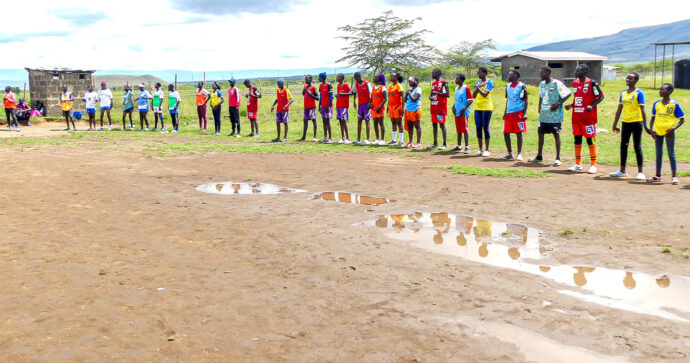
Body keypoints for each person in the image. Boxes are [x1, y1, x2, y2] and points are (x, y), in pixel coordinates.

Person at [565, 64, 604, 174]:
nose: (576, 71)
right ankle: (578, 164)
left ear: (585, 72)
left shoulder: (592, 83)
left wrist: (592, 105)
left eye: (578, 70)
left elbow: (601, 96)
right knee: (577, 140)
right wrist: (571, 105)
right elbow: (578, 98)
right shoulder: (575, 83)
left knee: (590, 140)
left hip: (588, 118)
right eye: (576, 70)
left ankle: (593, 165)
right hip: (576, 118)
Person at [529, 67, 571, 166]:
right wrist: (539, 106)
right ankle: (539, 156)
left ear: (548, 73)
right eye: (540, 73)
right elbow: (540, 96)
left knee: (556, 134)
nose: (540, 75)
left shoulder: (556, 83)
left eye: (542, 73)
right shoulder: (542, 84)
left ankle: (557, 158)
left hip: (554, 115)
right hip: (544, 114)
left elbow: (568, 93)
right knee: (540, 134)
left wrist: (558, 103)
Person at [610, 72, 648, 179]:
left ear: (636, 81)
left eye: (630, 78)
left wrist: (645, 125)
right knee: (624, 145)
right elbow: (619, 109)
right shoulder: (623, 93)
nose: (627, 79)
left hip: (637, 122)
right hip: (626, 122)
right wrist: (615, 123)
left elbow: (643, 110)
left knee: (637, 146)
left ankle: (640, 172)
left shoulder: (639, 93)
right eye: (627, 78)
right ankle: (622, 170)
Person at [648, 83, 685, 185]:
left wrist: (673, 129)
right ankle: (658, 175)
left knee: (671, 153)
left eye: (663, 89)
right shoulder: (657, 104)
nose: (660, 91)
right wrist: (651, 130)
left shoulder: (674, 104)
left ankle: (674, 176)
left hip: (669, 133)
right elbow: (653, 118)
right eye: (660, 89)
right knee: (658, 153)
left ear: (669, 91)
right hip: (658, 132)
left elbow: (682, 120)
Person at [500, 70, 528, 160]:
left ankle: (519, 153)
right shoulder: (507, 86)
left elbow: (526, 100)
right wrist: (505, 113)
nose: (508, 76)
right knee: (506, 133)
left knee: (518, 133)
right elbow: (508, 100)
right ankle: (510, 153)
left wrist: (524, 113)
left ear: (515, 76)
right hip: (509, 113)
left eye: (510, 75)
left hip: (518, 113)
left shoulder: (521, 86)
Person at [472, 66, 494, 156]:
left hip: (487, 107)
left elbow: (485, 94)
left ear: (485, 73)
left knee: (485, 127)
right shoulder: (478, 82)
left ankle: (487, 150)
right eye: (478, 72)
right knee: (478, 127)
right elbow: (473, 95)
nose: (478, 74)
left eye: (480, 72)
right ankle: (480, 149)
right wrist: (478, 86)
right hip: (478, 107)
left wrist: (478, 87)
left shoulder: (490, 82)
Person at [453, 73, 474, 153]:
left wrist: (464, 108)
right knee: (458, 129)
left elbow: (471, 100)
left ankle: (467, 147)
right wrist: (453, 107)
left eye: (457, 79)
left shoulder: (466, 88)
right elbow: (456, 99)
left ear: (461, 80)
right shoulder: (456, 88)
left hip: (464, 112)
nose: (456, 80)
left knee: (465, 128)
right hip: (457, 111)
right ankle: (459, 145)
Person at [429, 68, 450, 150]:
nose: (432, 74)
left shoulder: (444, 82)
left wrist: (437, 93)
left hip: (441, 107)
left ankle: (444, 144)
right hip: (433, 107)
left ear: (438, 73)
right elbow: (431, 94)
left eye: (433, 73)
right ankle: (435, 143)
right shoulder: (433, 83)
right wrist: (430, 97)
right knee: (434, 125)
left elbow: (447, 94)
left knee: (442, 125)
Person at [353, 72, 372, 144]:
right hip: (360, 104)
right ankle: (358, 139)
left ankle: (368, 139)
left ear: (359, 77)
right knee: (359, 121)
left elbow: (371, 93)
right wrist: (354, 101)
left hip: (366, 104)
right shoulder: (356, 84)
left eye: (356, 79)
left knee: (367, 121)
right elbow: (354, 92)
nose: (356, 80)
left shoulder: (367, 83)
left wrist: (370, 103)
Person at [404, 76, 423, 148]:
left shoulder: (418, 89)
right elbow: (405, 100)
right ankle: (410, 141)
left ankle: (418, 142)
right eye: (409, 81)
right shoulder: (410, 90)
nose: (409, 83)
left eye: (411, 81)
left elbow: (414, 99)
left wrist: (409, 93)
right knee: (410, 126)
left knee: (417, 126)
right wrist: (407, 93)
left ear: (415, 82)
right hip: (408, 110)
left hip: (415, 110)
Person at [300, 74, 319, 141]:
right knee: (305, 121)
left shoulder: (314, 87)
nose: (305, 80)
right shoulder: (305, 86)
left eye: (307, 79)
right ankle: (303, 137)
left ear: (310, 79)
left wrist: (310, 94)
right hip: (306, 108)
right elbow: (303, 94)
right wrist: (304, 90)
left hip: (312, 108)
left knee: (314, 120)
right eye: (305, 79)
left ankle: (315, 137)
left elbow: (317, 98)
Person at [387, 72, 405, 146]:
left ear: (396, 78)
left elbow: (403, 97)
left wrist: (403, 108)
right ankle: (394, 140)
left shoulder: (399, 86)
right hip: (391, 107)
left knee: (399, 123)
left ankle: (401, 141)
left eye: (392, 76)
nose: (391, 77)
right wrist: (388, 106)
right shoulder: (390, 86)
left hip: (397, 106)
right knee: (393, 122)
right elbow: (389, 97)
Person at [335, 73, 352, 144]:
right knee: (340, 121)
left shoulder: (346, 85)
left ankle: (348, 138)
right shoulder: (338, 85)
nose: (336, 78)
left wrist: (343, 94)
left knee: (344, 121)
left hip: (344, 106)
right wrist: (337, 95)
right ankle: (343, 138)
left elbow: (351, 93)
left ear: (341, 78)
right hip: (338, 105)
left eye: (338, 77)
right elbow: (339, 94)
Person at [371, 73, 387, 145]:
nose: (374, 79)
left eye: (375, 77)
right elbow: (372, 97)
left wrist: (379, 106)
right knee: (375, 123)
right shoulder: (373, 87)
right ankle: (377, 139)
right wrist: (369, 103)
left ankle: (382, 139)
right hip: (374, 108)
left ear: (379, 79)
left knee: (381, 123)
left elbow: (385, 99)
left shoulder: (383, 87)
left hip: (379, 108)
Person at [318, 72, 333, 143]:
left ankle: (330, 138)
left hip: (328, 107)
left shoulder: (329, 85)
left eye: (319, 77)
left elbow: (331, 96)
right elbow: (321, 96)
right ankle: (325, 137)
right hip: (323, 106)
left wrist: (328, 105)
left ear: (322, 78)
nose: (318, 79)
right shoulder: (320, 85)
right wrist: (319, 106)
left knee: (328, 121)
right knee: (324, 121)